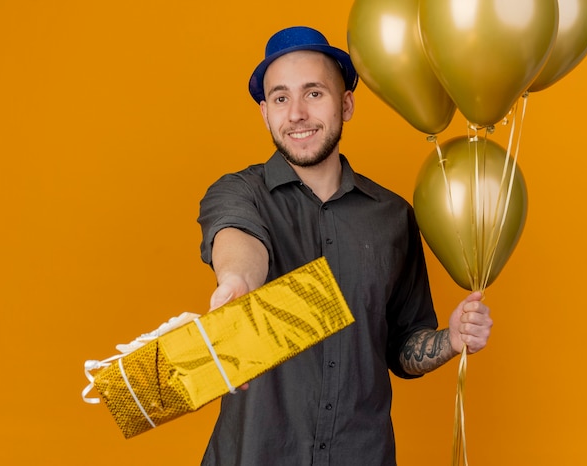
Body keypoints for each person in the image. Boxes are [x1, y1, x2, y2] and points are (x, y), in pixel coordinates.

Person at [197, 26, 493, 466]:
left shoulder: (393, 216)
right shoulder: (239, 191)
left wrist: (450, 339)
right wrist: (237, 283)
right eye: (280, 98)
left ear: (347, 104)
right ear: (265, 112)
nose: (296, 113)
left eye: (314, 93)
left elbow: (401, 348)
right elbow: (239, 239)